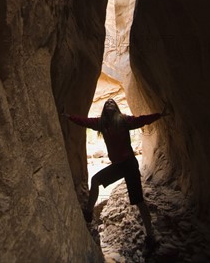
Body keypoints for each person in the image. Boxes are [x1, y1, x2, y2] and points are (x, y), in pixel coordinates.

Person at [61, 98, 168, 249]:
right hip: (118, 166)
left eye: (112, 103)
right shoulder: (101, 123)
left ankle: (150, 235)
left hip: (129, 164)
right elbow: (84, 121)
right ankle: (89, 212)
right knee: (96, 180)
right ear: (104, 110)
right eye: (107, 103)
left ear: (117, 108)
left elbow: (141, 120)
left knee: (138, 201)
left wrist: (159, 115)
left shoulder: (124, 121)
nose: (109, 103)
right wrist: (69, 116)